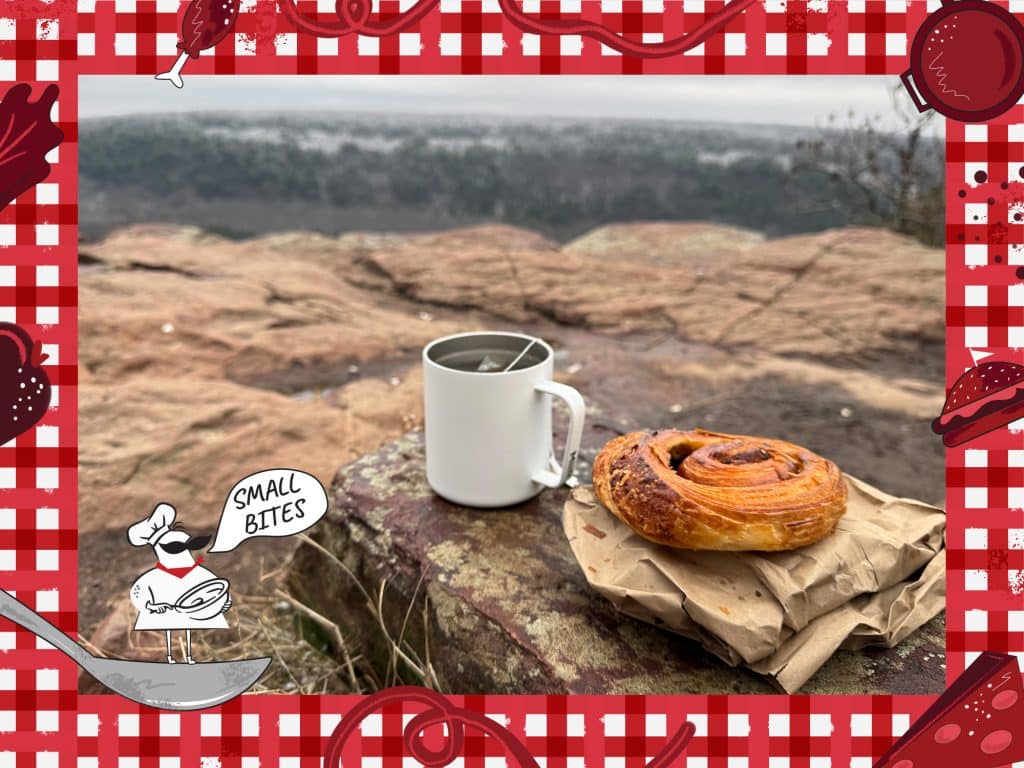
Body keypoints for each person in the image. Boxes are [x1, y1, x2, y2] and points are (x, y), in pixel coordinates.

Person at [127, 503, 231, 664]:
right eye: (175, 548)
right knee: (168, 628)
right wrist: (150, 606)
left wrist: (224, 600)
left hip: (193, 610)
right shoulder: (155, 577)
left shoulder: (196, 573)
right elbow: (138, 592)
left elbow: (214, 586)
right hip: (164, 609)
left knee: (188, 628)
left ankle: (189, 657)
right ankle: (169, 657)